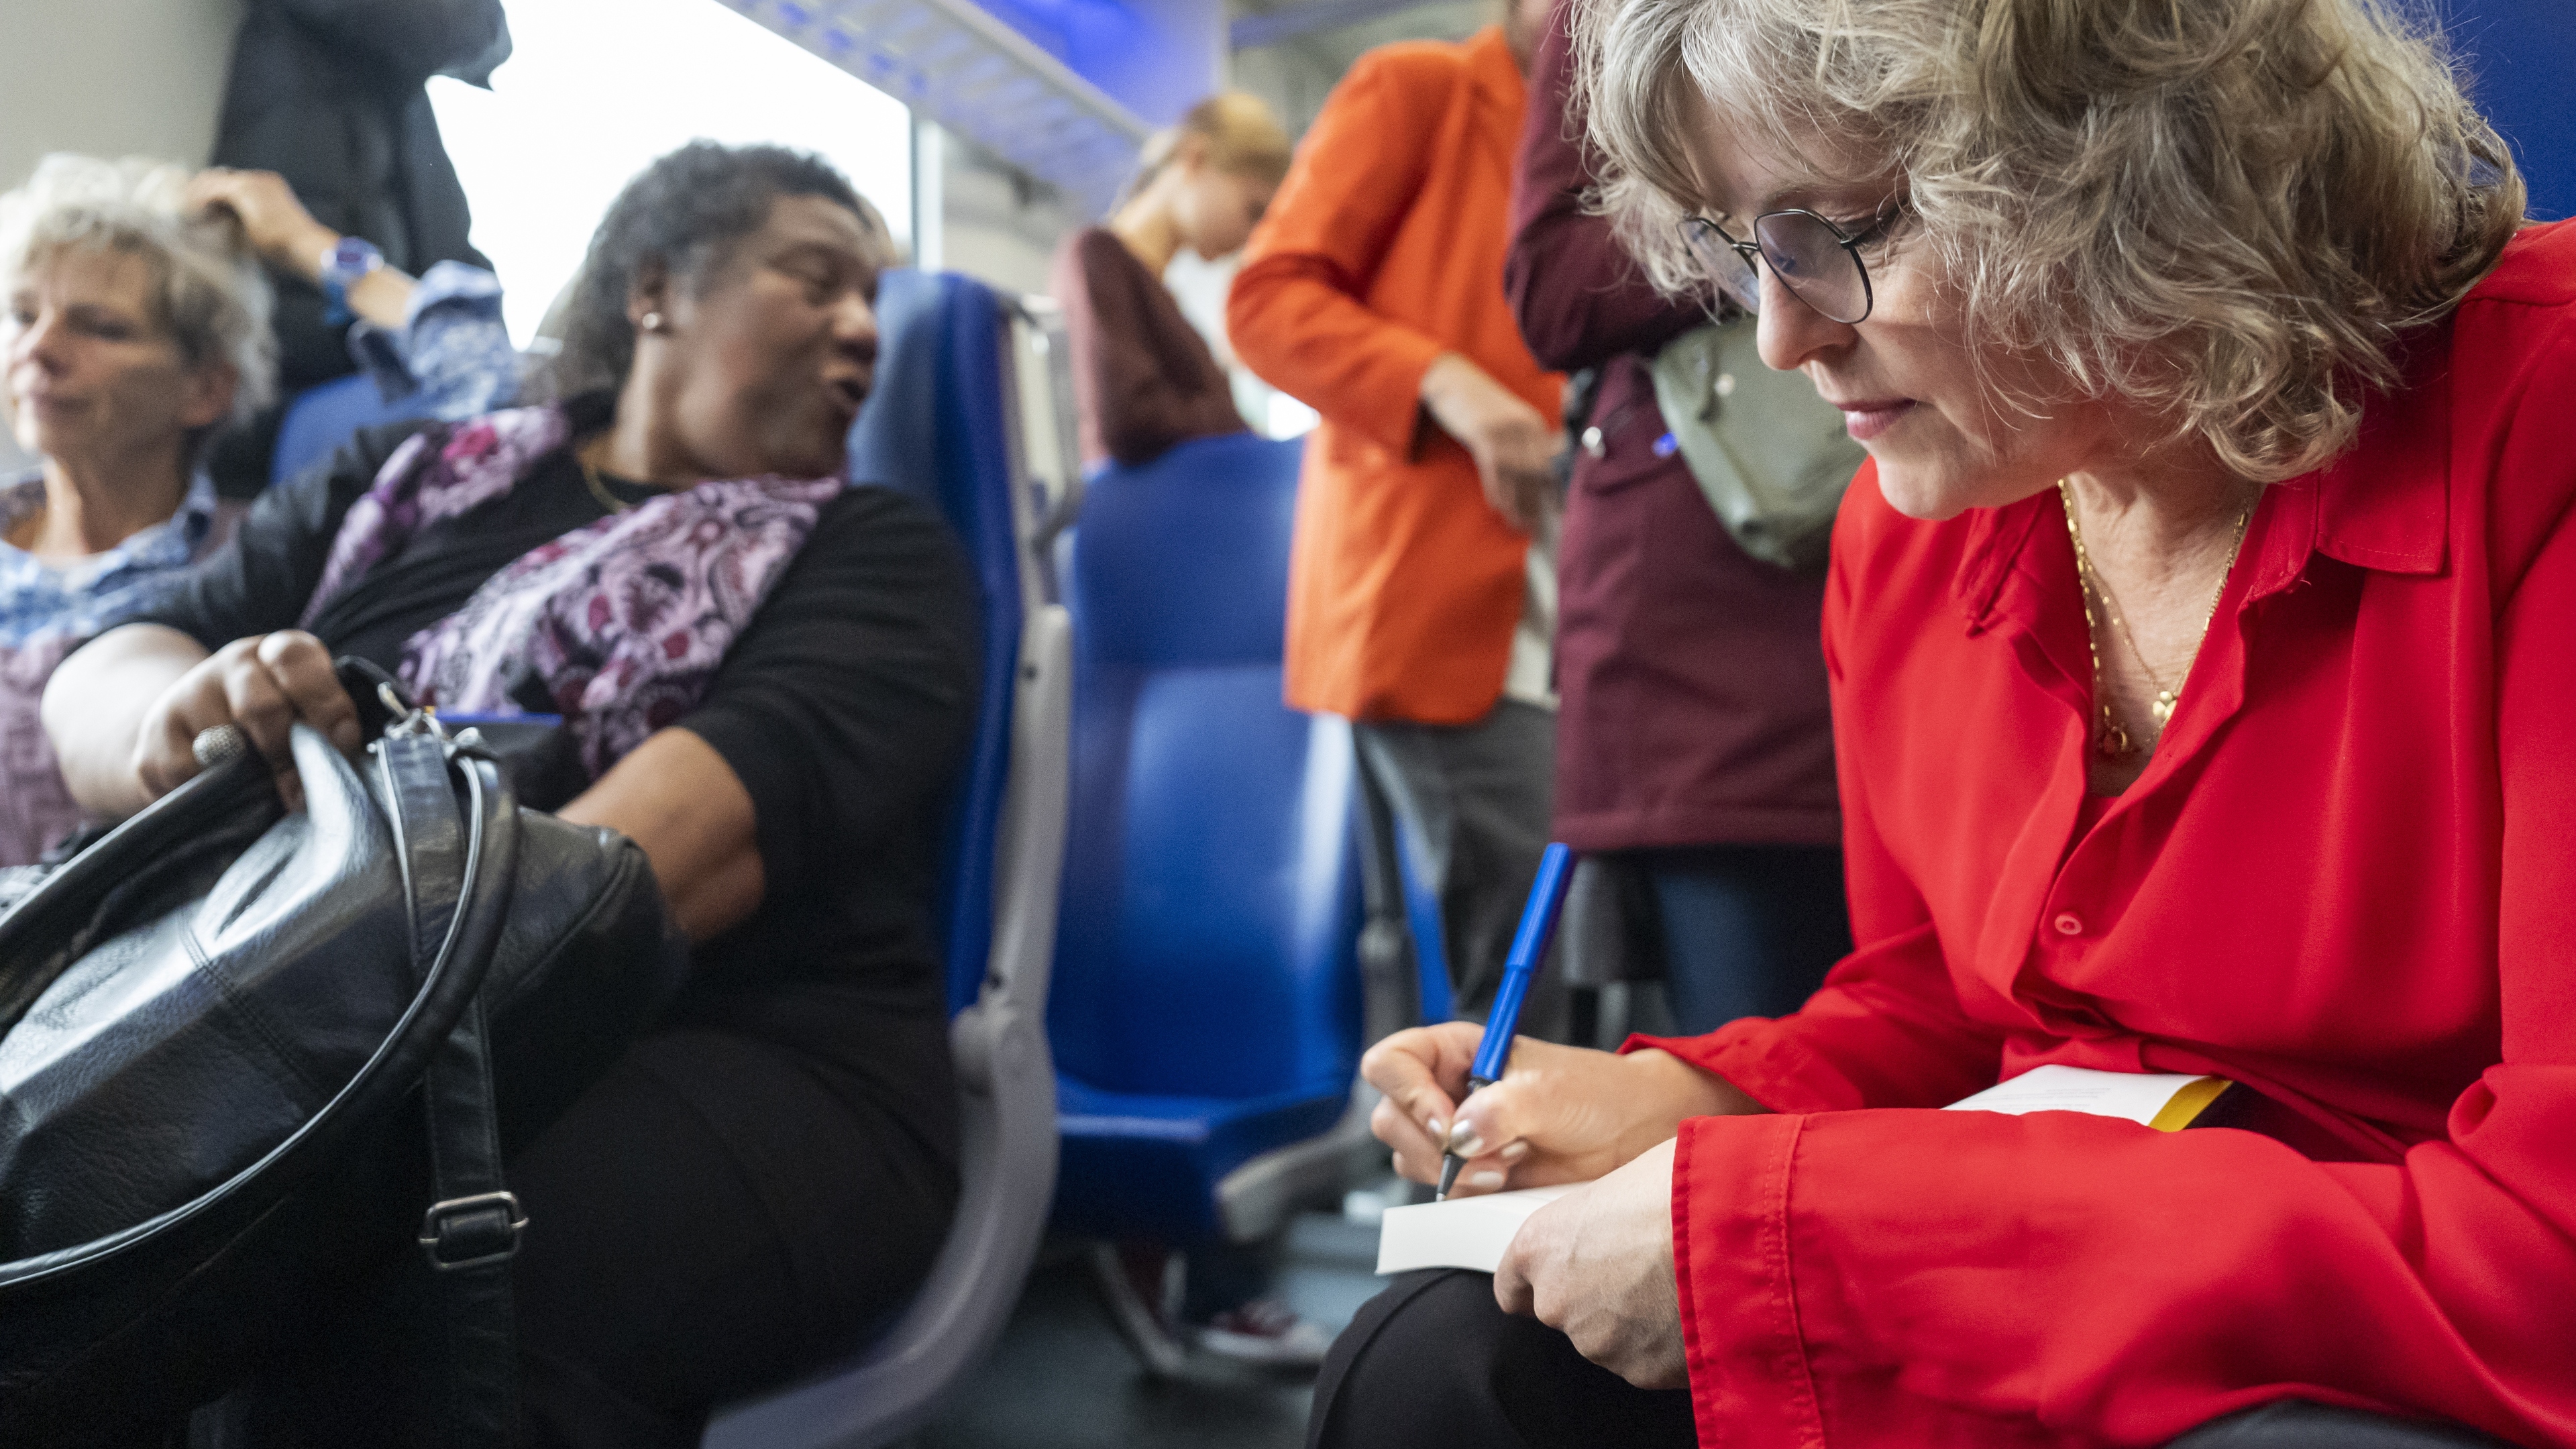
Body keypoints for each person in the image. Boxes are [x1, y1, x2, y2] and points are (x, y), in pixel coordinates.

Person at [1310, 0, 2575, 1444]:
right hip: (2071, 1246)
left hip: (2402, 1319)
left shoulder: (2543, 420)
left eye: (1833, 233)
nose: (1780, 337)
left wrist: (1818, 1234)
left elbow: (2545, 1256)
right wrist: (1689, 1096)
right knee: (1447, 1361)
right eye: (1745, 248)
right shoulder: (1910, 532)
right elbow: (1951, 1005)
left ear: (2132, 169)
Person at [43, 141, 976, 1446]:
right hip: (293, 1021)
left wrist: (248, 1052)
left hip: (735, 1052)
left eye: (876, 298)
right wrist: (174, 721)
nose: (863, 327)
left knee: (403, 1274)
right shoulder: (401, 480)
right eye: (817, 279)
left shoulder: (877, 557)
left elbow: (612, 883)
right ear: (656, 289)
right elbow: (109, 662)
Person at [1228, 0, 1571, 1039]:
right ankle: (1468, 1189)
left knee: (1564, 962)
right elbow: (1268, 302)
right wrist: (1448, 385)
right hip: (1436, 597)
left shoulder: (1619, 151)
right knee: (1520, 971)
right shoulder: (1418, 91)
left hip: (1567, 603)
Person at [1505, 0, 1847, 1034]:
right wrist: (1789, 211)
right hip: (1724, 632)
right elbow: (1553, 291)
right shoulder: (1610, 18)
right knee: (1763, 1064)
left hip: (1922, 580)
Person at [0, 156, 273, 867]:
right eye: (24, 314)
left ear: (206, 388)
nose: (37, 349)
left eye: (99, 328)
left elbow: (496, 422)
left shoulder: (259, 559)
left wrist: (313, 248)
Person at [1052, 92, 1289, 468]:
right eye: (1253, 211)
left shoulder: (1165, 305)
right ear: (1195, 157)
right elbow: (1130, 419)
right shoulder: (1097, 255)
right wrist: (1234, 424)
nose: (1251, 235)